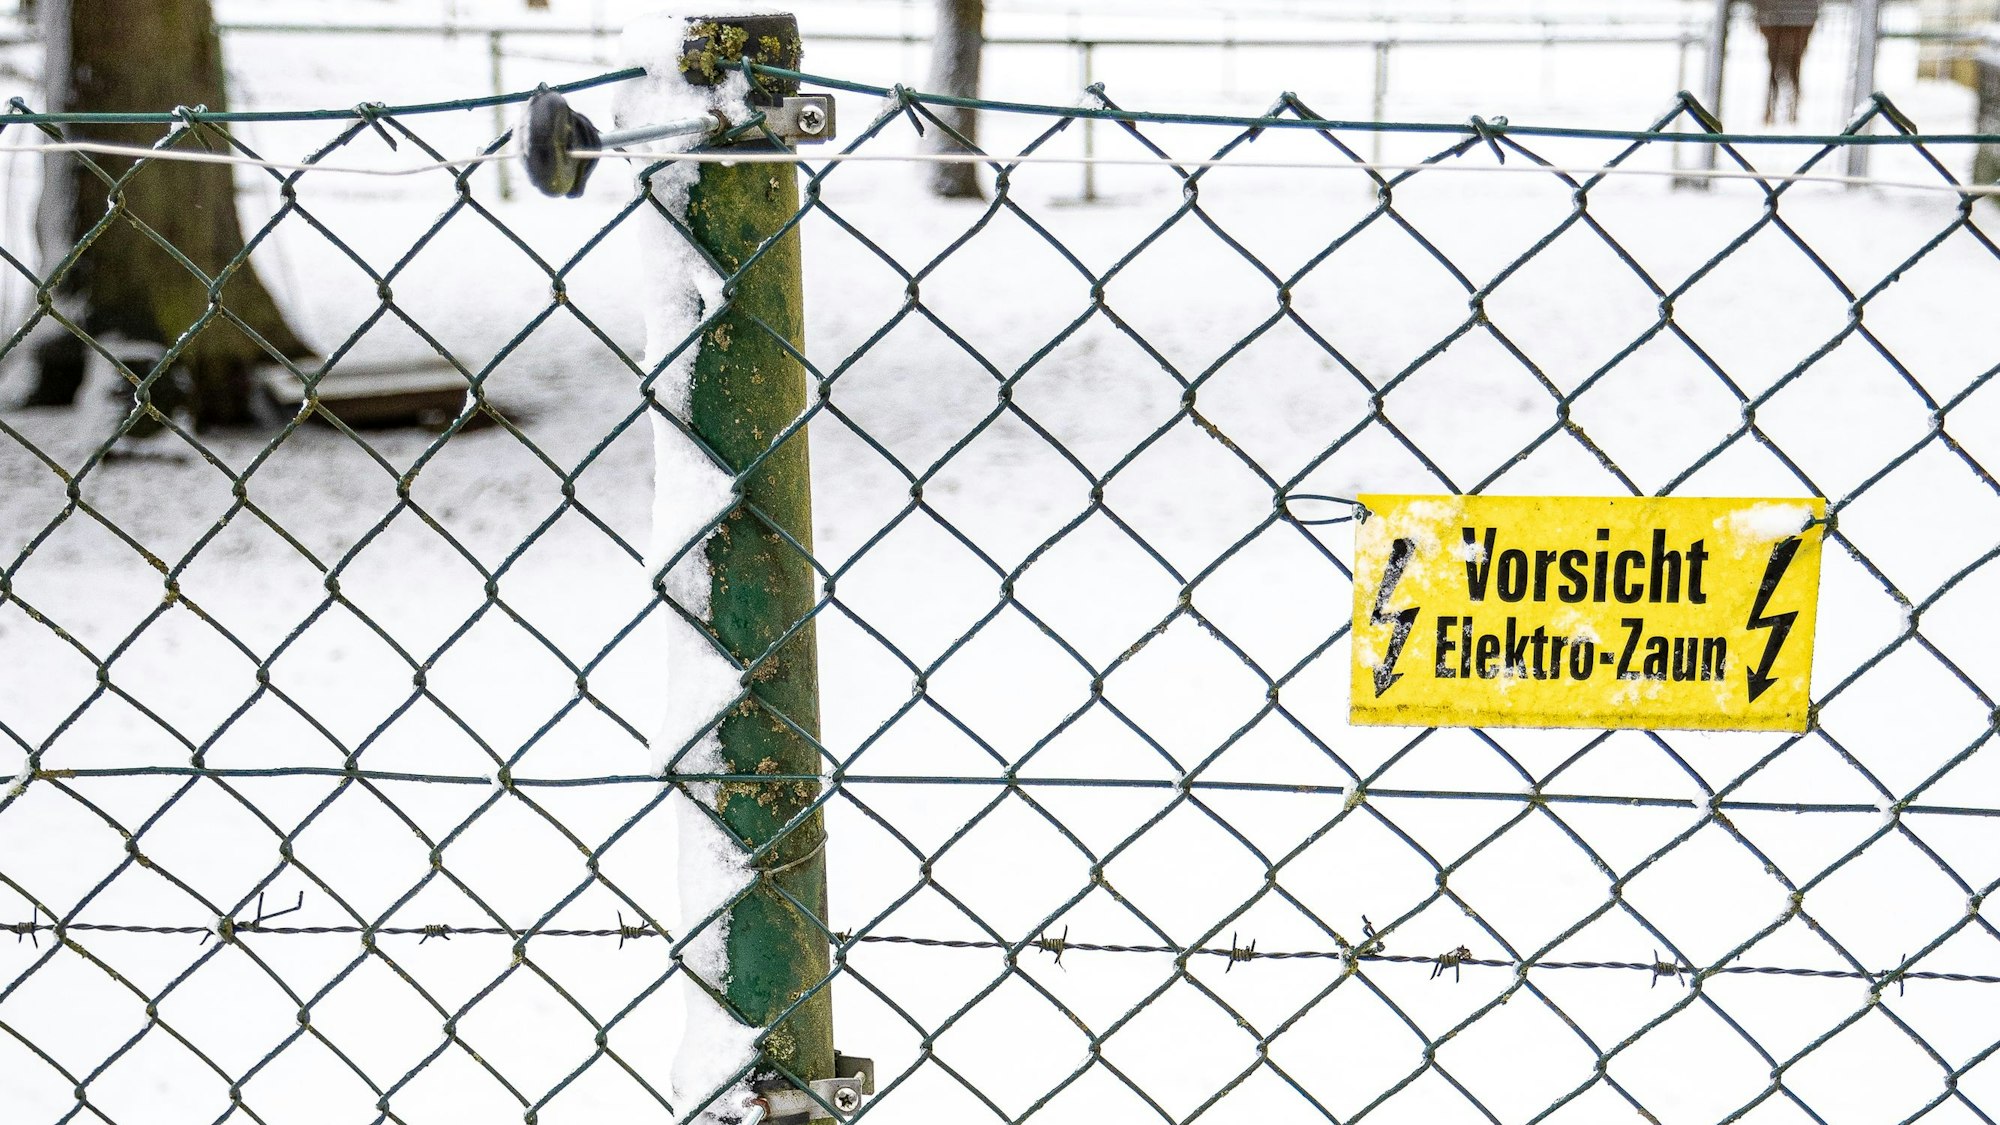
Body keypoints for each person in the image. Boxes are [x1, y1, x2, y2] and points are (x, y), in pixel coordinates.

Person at [1753, 0, 1822, 125]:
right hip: (1786, 16)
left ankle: (1783, 108)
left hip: (1787, 16)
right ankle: (1786, 108)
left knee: (1784, 64)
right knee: (1784, 64)